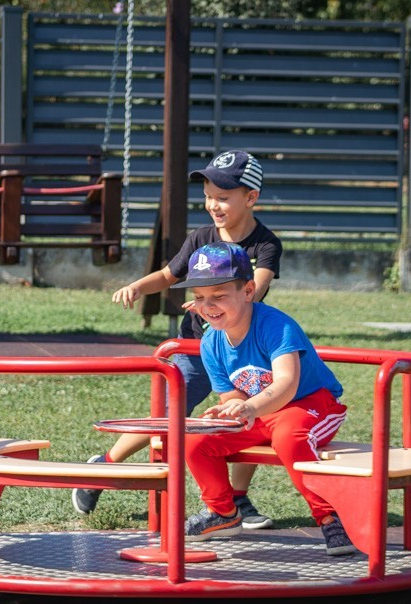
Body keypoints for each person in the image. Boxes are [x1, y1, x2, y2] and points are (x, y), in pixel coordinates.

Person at [72, 150, 283, 529]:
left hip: (242, 350)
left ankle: (237, 499)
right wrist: (138, 285)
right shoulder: (200, 237)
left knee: (246, 414)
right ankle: (105, 466)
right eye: (208, 195)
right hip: (197, 348)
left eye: (223, 197)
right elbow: (169, 274)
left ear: (250, 197)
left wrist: (214, 299)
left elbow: (258, 287)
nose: (213, 205)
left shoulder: (264, 244)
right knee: (171, 413)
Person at [174, 241, 356, 556]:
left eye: (218, 296)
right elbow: (233, 394)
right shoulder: (210, 342)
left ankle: (330, 517)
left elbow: (286, 382)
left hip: (311, 403)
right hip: (260, 412)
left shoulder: (276, 325)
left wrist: (250, 407)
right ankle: (224, 513)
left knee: (289, 438)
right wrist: (231, 409)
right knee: (196, 440)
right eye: (199, 298)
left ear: (248, 291)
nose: (209, 305)